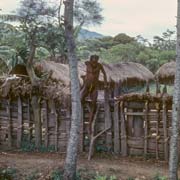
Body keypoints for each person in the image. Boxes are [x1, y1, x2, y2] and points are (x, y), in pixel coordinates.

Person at [81, 55, 107, 134]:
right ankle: (81, 115)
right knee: (80, 99)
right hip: (87, 85)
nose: (95, 60)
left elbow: (104, 74)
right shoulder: (87, 63)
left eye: (96, 58)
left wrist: (105, 84)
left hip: (95, 86)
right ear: (91, 59)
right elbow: (89, 71)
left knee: (94, 104)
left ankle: (89, 126)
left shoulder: (99, 65)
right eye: (93, 58)